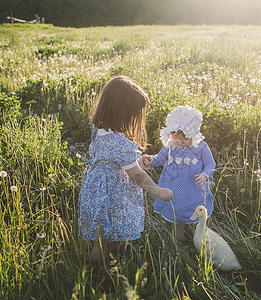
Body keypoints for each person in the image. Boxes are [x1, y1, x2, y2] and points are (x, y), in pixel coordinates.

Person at [78, 76, 173, 265]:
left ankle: (113, 262)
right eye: (133, 114)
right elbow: (137, 175)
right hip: (113, 197)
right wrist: (158, 191)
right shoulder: (121, 143)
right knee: (104, 241)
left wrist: (137, 161)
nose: (134, 119)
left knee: (105, 236)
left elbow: (111, 161)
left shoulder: (98, 130)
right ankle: (93, 273)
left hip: (97, 192)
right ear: (122, 112)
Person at [140, 106, 215, 242]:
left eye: (185, 139)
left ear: (193, 133)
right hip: (174, 187)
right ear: (170, 134)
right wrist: (151, 159)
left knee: (199, 208)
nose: (180, 142)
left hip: (194, 188)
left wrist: (205, 175)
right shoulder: (170, 146)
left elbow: (210, 164)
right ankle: (179, 238)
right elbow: (160, 158)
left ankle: (206, 234)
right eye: (176, 138)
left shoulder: (201, 147)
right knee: (177, 211)